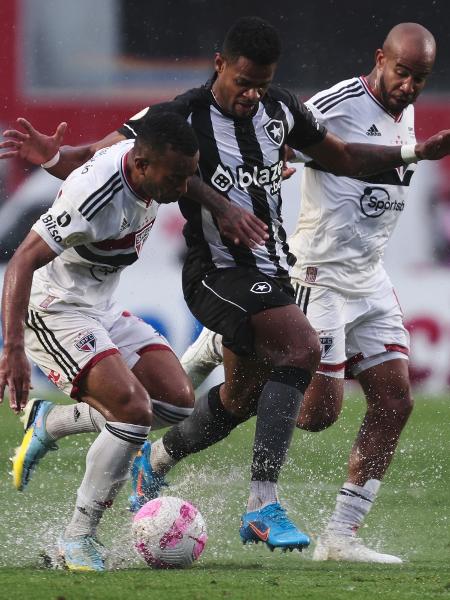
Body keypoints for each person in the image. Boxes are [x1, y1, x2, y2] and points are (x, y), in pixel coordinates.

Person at [2, 17, 449, 555]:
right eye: (243, 83)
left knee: (235, 398)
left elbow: (345, 156)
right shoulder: (178, 115)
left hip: (272, 270)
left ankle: (101, 436)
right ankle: (262, 504)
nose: (251, 95)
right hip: (216, 272)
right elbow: (106, 159)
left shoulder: (280, 109)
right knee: (300, 349)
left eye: (262, 84)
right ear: (220, 66)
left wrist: (412, 154)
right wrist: (56, 159)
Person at [179, 22, 438, 563]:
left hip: (369, 276)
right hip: (316, 273)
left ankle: (341, 537)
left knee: (394, 401)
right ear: (379, 58)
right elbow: (286, 135)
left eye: (421, 78)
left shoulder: (405, 114)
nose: (409, 85)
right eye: (402, 72)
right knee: (317, 413)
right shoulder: (338, 101)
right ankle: (227, 344)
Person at [0, 111, 228, 572]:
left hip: (99, 306)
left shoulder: (153, 144)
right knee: (133, 412)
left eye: (189, 175)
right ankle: (76, 539)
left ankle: (52, 422)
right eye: (175, 178)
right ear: (142, 166)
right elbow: (22, 260)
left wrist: (55, 159)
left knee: (177, 400)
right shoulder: (97, 196)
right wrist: (13, 350)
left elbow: (92, 151)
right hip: (53, 307)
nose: (183, 188)